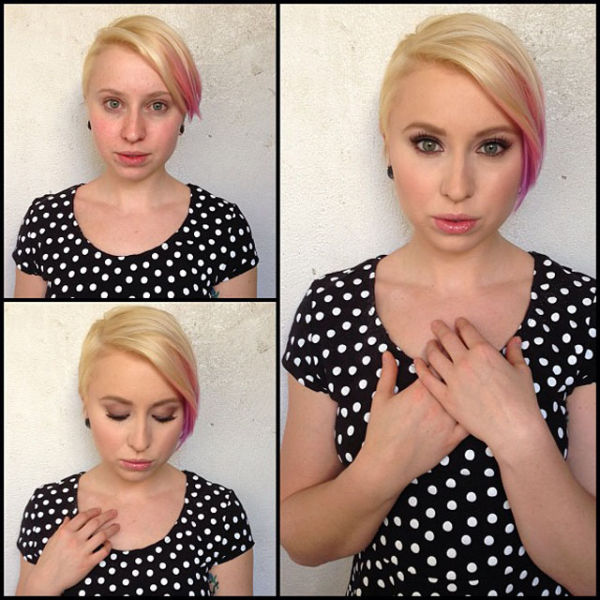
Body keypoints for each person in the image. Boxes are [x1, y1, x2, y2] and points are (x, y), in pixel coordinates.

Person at [281, 13, 595, 596]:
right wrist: (383, 466)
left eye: (492, 146)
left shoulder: (581, 310)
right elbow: (301, 541)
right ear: (388, 146)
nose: (457, 185)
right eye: (428, 143)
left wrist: (520, 435)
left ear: (529, 151)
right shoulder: (331, 308)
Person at [12, 15, 258, 299]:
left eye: (158, 105)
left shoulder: (222, 226)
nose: (133, 132)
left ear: (183, 114)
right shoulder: (45, 221)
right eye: (113, 103)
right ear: (88, 107)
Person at [16, 306, 254, 595]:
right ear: (85, 403)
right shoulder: (47, 509)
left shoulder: (217, 511)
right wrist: (42, 584)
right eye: (118, 414)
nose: (140, 442)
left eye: (164, 416)